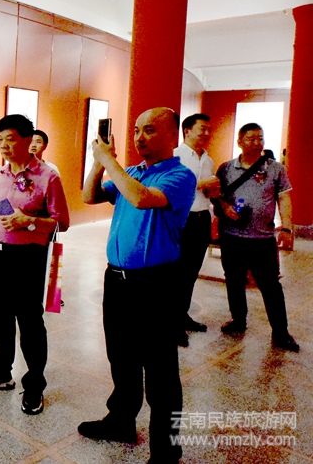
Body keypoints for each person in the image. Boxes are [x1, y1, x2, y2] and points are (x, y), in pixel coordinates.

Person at [78, 107, 195, 463]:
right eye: (136, 130)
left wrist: (109, 161)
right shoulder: (130, 172)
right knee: (121, 357)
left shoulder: (179, 176)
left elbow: (142, 198)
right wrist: (99, 162)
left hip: (155, 284)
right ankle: (121, 420)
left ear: (172, 136)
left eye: (150, 130)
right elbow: (88, 196)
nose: (140, 137)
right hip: (117, 281)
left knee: (160, 371)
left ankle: (166, 451)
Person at [0, 114, 70, 416]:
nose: (4, 145)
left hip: (28, 258)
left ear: (28, 140)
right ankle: (1, 372)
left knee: (29, 322)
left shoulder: (47, 176)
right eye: (0, 139)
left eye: (10, 139)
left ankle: (34, 384)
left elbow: (62, 222)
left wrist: (29, 221)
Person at [215, 123, 299, 352]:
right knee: (234, 280)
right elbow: (216, 195)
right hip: (232, 237)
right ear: (239, 142)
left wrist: (286, 228)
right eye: (251, 138)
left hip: (262, 239)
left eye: (260, 138)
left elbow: (284, 198)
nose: (256, 142)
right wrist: (225, 207)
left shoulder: (275, 169)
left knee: (271, 285)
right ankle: (238, 320)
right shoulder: (226, 168)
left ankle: (281, 332)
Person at [174, 114, 220, 347]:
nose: (207, 133)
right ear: (187, 131)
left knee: (192, 272)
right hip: (182, 220)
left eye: (209, 129)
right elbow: (173, 187)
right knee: (177, 273)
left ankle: (182, 316)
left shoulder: (208, 160)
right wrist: (202, 184)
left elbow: (206, 193)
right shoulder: (175, 156)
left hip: (202, 219)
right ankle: (172, 324)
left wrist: (213, 190)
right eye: (202, 128)